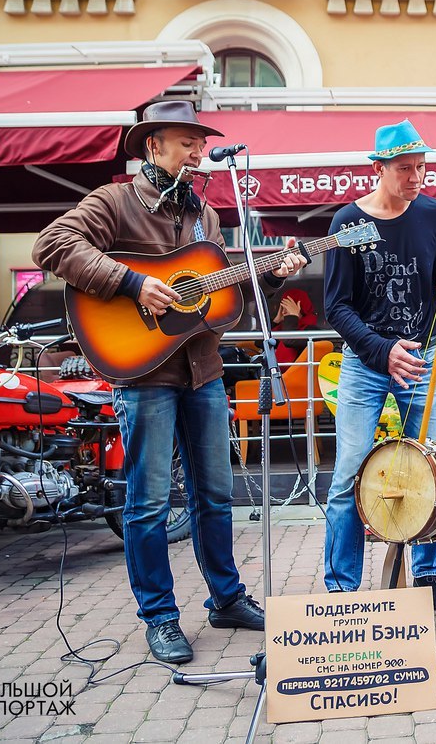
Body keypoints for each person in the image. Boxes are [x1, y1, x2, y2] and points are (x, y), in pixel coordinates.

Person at [33, 101, 307, 664]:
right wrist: (132, 283)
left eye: (201, 144)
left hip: (202, 372)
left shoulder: (205, 217)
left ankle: (226, 599)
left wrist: (274, 280)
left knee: (215, 495)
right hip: (143, 373)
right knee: (149, 502)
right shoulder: (113, 201)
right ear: (152, 146)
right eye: (188, 143)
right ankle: (159, 616)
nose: (199, 153)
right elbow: (52, 245)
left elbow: (221, 306)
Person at [322, 119, 436, 608]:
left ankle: (428, 573)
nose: (416, 178)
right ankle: (341, 585)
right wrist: (381, 351)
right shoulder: (347, 222)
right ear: (379, 167)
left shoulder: (433, 214)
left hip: (423, 358)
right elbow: (336, 306)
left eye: (422, 168)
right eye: (405, 168)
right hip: (367, 362)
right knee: (348, 472)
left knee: (432, 465)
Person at [271, 287, 319, 368]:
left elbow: (289, 341)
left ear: (300, 307)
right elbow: (259, 343)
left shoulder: (311, 330)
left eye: (288, 307)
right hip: (277, 374)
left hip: (293, 377)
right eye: (283, 307)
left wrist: (292, 316)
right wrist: (276, 321)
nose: (284, 311)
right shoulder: (284, 328)